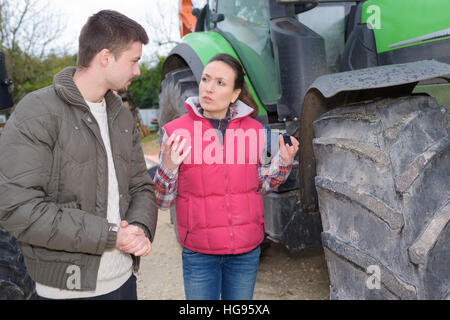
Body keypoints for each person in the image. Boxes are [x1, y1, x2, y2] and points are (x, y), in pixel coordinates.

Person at [0, 10, 157, 300]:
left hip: (124, 282)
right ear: (106, 57)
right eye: (134, 60)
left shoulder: (121, 117)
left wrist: (139, 227)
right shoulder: (36, 113)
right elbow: (17, 208)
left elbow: (141, 186)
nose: (138, 71)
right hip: (65, 291)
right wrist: (111, 235)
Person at [154, 53, 299, 300]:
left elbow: (262, 184)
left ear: (234, 94)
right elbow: (163, 201)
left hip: (245, 251)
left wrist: (283, 164)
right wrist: (167, 167)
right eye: (205, 79)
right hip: (199, 253)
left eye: (220, 83)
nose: (208, 88)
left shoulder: (255, 131)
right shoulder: (176, 132)